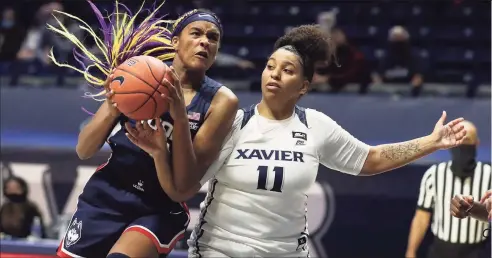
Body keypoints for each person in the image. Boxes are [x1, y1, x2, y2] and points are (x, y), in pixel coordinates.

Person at [128, 24, 467, 257]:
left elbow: (371, 160)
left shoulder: (316, 125)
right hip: (220, 250)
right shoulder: (232, 122)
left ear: (304, 86)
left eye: (287, 70)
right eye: (270, 66)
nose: (274, 74)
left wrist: (432, 142)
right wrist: (160, 152)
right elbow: (183, 186)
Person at [47, 1, 238, 258]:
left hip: (159, 206)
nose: (205, 41)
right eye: (196, 33)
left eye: (212, 38)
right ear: (175, 42)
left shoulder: (221, 101)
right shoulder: (139, 75)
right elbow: (84, 150)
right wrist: (114, 106)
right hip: (109, 192)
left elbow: (181, 189)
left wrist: (176, 127)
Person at [406, 121, 491, 258]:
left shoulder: (489, 175)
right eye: (459, 140)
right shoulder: (434, 175)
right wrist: (411, 252)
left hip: (476, 251)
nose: (463, 146)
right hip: (441, 250)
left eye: (467, 141)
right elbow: (422, 217)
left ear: (476, 144)